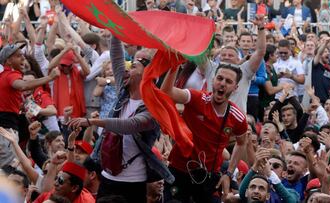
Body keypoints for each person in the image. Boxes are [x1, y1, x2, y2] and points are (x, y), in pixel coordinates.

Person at [67, 35, 173, 203]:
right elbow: (116, 56)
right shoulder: (123, 91)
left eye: (133, 67)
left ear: (145, 75)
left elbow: (128, 125)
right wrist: (115, 27)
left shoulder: (153, 107)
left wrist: (91, 121)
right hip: (107, 176)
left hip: (133, 182)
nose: (126, 70)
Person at [161, 59, 248, 202]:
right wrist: (174, 64)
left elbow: (241, 143)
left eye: (228, 81)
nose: (222, 83)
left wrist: (229, 173)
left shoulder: (237, 117)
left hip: (208, 177)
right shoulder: (197, 98)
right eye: (219, 78)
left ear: (235, 88)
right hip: (179, 169)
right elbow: (167, 92)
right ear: (213, 80)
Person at [0, 43, 60, 168]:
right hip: (6, 130)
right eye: (18, 56)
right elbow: (22, 86)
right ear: (8, 61)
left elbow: (52, 111)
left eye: (22, 55)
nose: (23, 58)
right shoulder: (10, 74)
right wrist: (50, 77)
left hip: (12, 130)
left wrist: (29, 108)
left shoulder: (3, 77)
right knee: (9, 169)